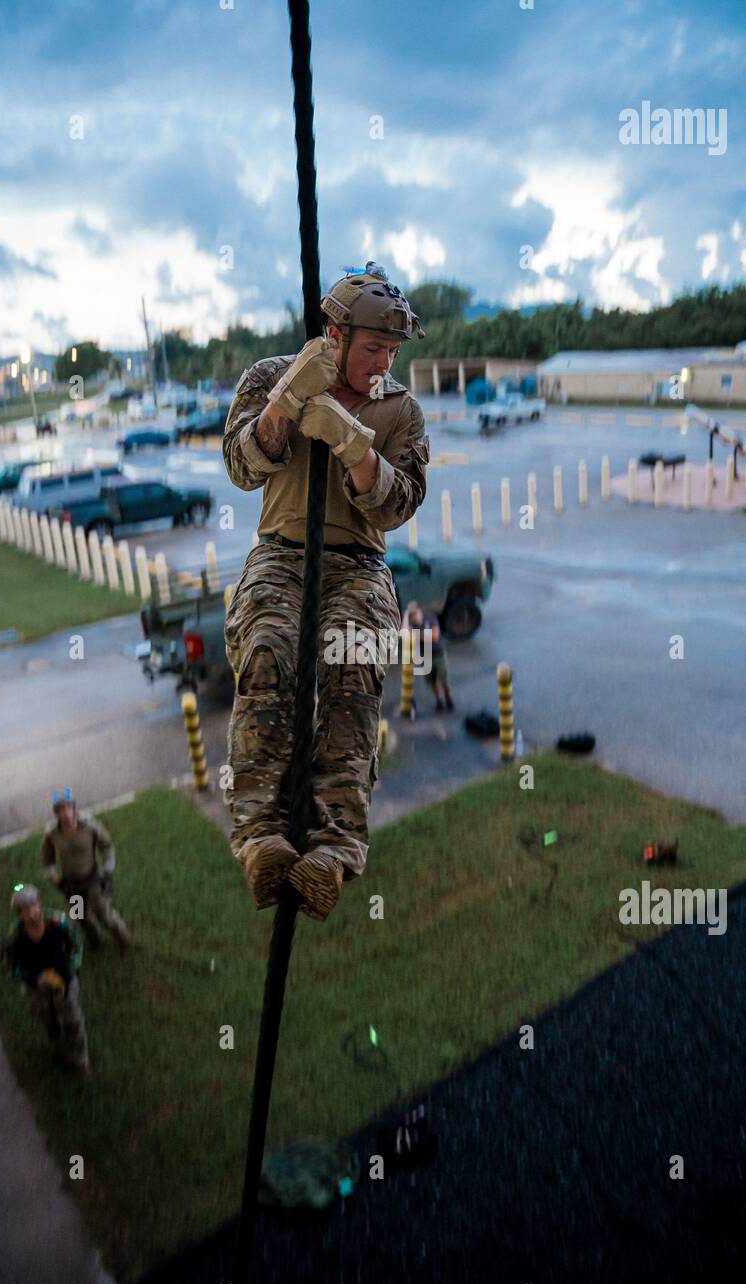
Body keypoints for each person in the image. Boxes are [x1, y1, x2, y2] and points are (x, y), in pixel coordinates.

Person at [222, 262, 429, 920]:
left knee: (353, 663)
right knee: (267, 652)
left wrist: (353, 445)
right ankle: (261, 837)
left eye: (392, 352)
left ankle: (334, 846)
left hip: (357, 564)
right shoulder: (265, 376)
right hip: (282, 554)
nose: (383, 363)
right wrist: (283, 406)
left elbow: (399, 506)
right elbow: (239, 465)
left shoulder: (400, 409)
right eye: (373, 349)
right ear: (335, 334)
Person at [2, 884, 90, 1077]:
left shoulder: (58, 922)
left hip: (64, 983)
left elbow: (76, 945)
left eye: (34, 904)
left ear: (40, 903)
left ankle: (81, 1059)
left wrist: (70, 970)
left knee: (73, 1021)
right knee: (49, 1021)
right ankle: (58, 1045)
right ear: (19, 914)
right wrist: (35, 978)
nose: (33, 912)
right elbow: (9, 967)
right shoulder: (15, 936)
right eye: (26, 909)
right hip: (36, 988)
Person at [40, 790, 131, 950]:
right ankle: (94, 940)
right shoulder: (51, 834)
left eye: (69, 807)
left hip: (92, 881)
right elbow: (47, 863)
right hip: (71, 886)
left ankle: (122, 935)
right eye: (61, 810)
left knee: (104, 914)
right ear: (56, 813)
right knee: (80, 917)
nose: (66, 814)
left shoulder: (90, 825)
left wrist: (108, 873)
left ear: (74, 808)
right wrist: (59, 882)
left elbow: (107, 847)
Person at [402, 602, 454, 714]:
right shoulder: (413, 623)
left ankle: (448, 699)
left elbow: (434, 637)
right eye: (412, 616)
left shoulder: (430, 618)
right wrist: (406, 616)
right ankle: (439, 701)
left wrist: (415, 635)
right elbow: (404, 633)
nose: (415, 617)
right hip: (426, 658)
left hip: (438, 654)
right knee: (432, 682)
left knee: (444, 680)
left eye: (415, 614)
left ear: (419, 612)